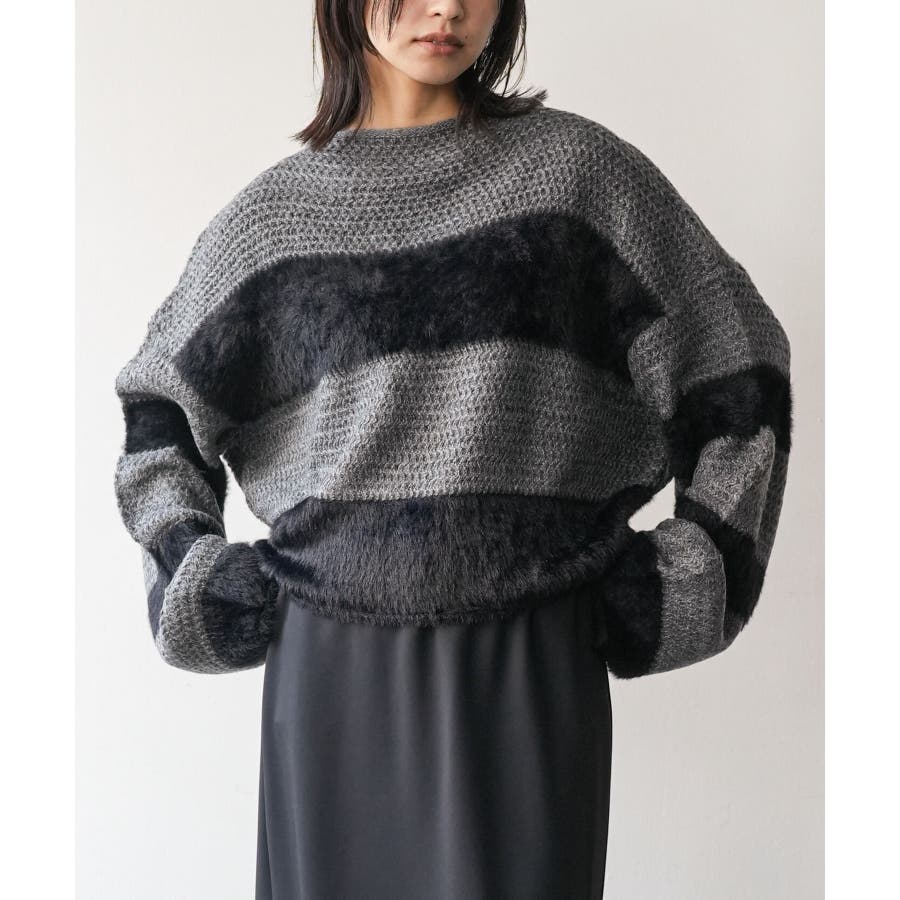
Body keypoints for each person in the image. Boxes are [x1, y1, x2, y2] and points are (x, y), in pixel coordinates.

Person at [112, 1, 792, 898]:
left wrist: (677, 588)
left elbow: (738, 369)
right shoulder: (275, 220)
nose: (446, 8)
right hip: (332, 676)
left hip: (530, 665)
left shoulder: (577, 177)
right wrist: (206, 590)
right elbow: (160, 414)